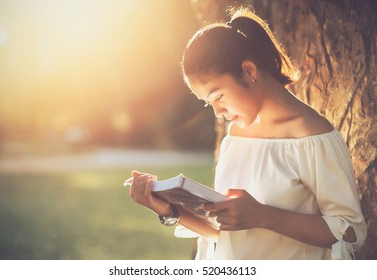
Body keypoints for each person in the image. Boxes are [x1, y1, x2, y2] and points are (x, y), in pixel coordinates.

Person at [128, 7, 367, 259]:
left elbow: (351, 231)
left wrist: (262, 215)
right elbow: (225, 234)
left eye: (218, 96)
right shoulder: (236, 135)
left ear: (249, 71)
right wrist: (169, 211)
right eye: (209, 103)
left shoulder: (312, 138)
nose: (218, 111)